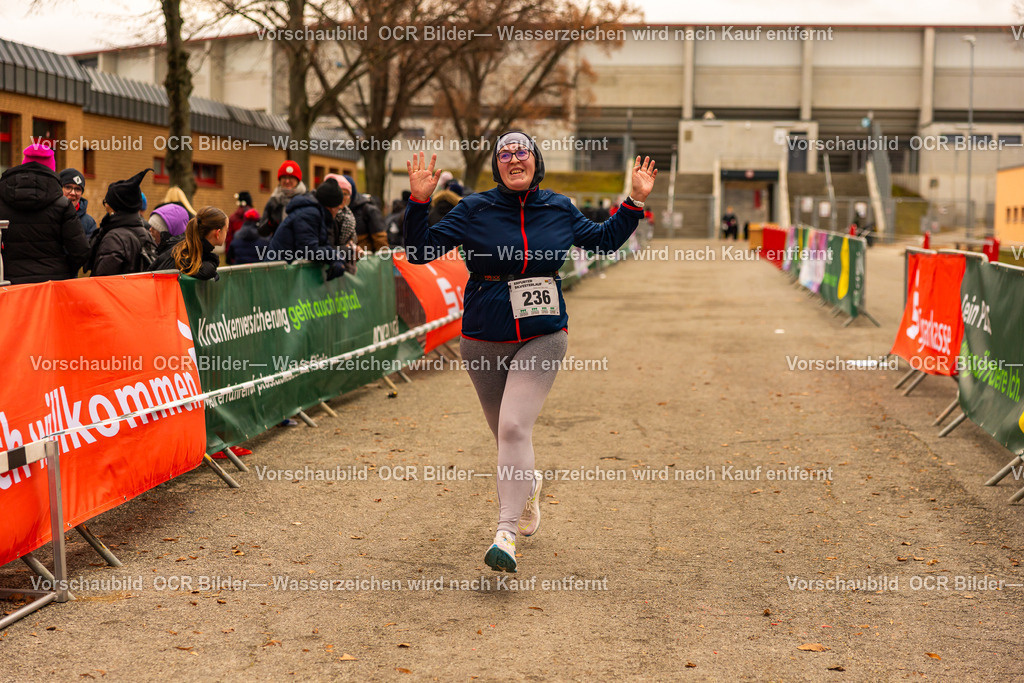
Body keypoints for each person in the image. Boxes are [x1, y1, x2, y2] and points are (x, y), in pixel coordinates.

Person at [404, 131, 656, 573]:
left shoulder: (558, 207)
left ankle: (505, 533)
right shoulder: (474, 208)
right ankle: (531, 483)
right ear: (497, 167)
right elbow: (420, 251)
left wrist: (633, 201)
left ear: (535, 161)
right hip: (483, 337)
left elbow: (602, 240)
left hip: (543, 335)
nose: (513, 159)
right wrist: (418, 203)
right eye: (505, 154)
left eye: (522, 152)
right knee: (504, 435)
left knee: (515, 428)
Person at [0, 144, 89, 284]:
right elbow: (80, 250)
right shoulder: (62, 205)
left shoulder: (3, 200)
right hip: (52, 285)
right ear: (51, 168)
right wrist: (65, 270)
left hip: (11, 283)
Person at [265, 178, 347, 280]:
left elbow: (323, 244)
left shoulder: (317, 214)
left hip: (285, 271)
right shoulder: (309, 214)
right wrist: (335, 256)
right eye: (338, 208)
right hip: (278, 273)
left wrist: (337, 259)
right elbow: (308, 250)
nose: (338, 212)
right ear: (331, 207)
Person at [88, 169, 158, 276]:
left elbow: (103, 280)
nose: (105, 205)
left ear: (115, 206)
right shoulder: (147, 234)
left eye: (106, 202)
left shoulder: (114, 238)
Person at [172, 206, 227, 280]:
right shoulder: (184, 253)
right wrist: (212, 263)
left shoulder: (186, 247)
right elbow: (204, 271)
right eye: (226, 230)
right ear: (218, 233)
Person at [260, 161, 307, 237]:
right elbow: (262, 231)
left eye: (291, 177)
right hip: (278, 247)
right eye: (284, 177)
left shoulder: (306, 200)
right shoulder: (274, 200)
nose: (287, 181)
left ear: (298, 180)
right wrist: (271, 222)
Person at [343, 174, 388, 252]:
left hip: (365, 259)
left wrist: (382, 260)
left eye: (345, 193)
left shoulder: (368, 210)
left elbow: (380, 240)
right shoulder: (338, 210)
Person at [148, 203, 191, 271]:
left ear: (165, 233)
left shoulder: (173, 259)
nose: (150, 229)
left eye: (154, 227)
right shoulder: (161, 252)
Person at [58, 168, 97, 240]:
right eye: (68, 187)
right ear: (59, 189)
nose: (73, 193)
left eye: (78, 189)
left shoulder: (89, 222)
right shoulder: (48, 216)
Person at [225, 191, 254, 260]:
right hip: (253, 256)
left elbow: (229, 238)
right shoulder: (254, 217)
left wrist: (228, 255)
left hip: (236, 255)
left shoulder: (232, 218)